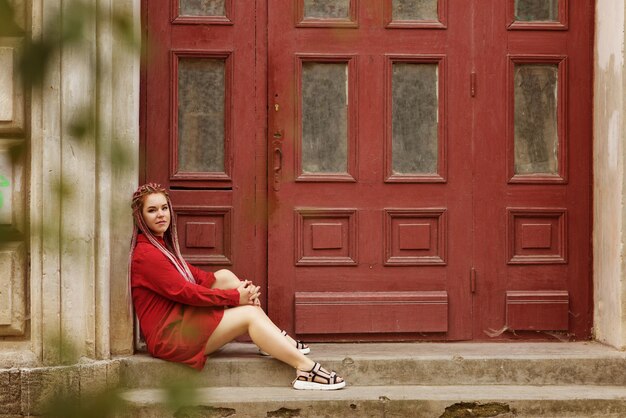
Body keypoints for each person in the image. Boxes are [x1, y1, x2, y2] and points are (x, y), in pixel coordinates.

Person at [129, 183, 345, 390]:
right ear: (141, 217)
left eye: (164, 208)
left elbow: (196, 277)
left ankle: (270, 338)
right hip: (171, 338)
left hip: (182, 322)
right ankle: (305, 369)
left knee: (224, 276)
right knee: (249, 315)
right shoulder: (147, 255)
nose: (161, 214)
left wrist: (242, 291)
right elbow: (187, 292)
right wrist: (235, 297)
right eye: (152, 210)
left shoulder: (160, 246)